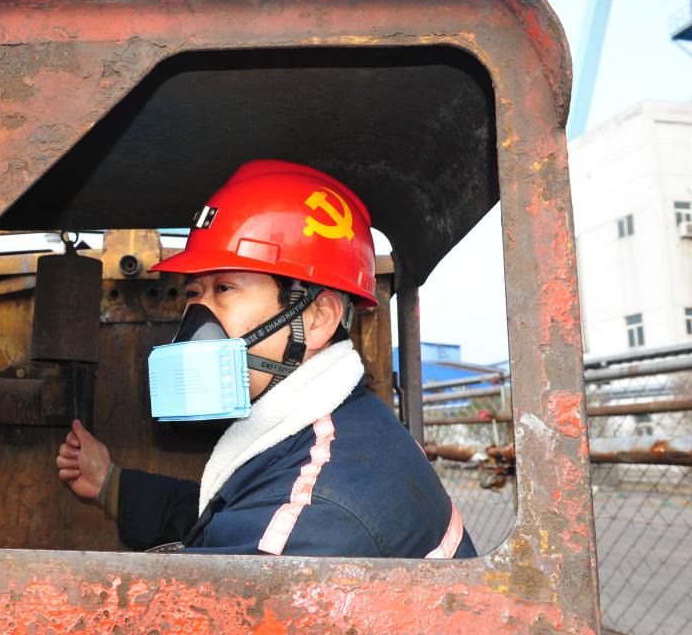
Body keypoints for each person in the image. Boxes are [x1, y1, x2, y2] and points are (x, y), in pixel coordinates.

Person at [56, 160, 476, 558]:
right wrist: (110, 483)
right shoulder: (351, 427)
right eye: (194, 293)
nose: (197, 319)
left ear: (318, 318)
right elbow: (231, 512)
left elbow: (264, 524)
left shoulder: (311, 524)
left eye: (225, 289)